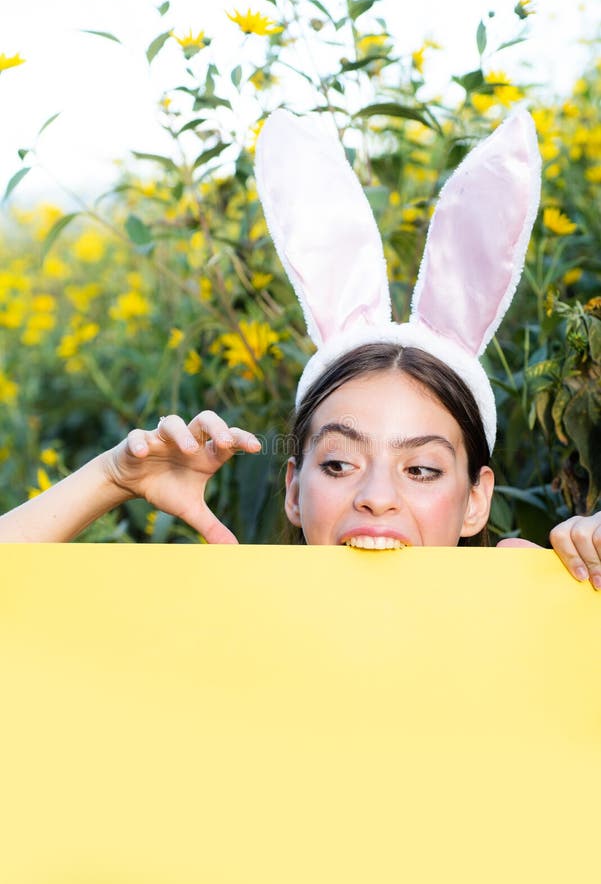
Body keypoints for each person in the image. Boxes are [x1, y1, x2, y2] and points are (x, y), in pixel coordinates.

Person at [0, 109, 599, 587]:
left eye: (421, 469)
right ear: (293, 489)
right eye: (338, 464)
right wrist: (112, 479)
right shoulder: (236, 624)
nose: (376, 500)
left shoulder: (532, 622)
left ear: (476, 501)